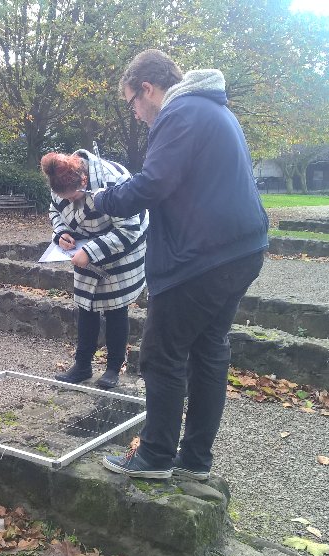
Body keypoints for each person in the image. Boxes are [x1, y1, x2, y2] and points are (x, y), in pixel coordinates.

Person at [93, 49, 269, 480]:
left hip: (202, 256)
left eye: (133, 103)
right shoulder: (212, 110)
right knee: (209, 351)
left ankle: (155, 456)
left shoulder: (181, 112)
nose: (136, 114)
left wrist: (102, 199)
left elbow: (152, 184)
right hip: (241, 249)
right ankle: (194, 460)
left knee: (161, 354)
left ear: (147, 88)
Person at [40, 150, 148, 389]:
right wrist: (61, 233)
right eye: (65, 198)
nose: (70, 202)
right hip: (82, 247)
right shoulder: (59, 178)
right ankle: (82, 365)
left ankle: (113, 368)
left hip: (122, 248)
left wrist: (90, 252)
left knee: (115, 308)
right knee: (85, 307)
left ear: (84, 181)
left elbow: (129, 229)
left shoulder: (114, 180)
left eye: (73, 196)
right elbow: (55, 211)